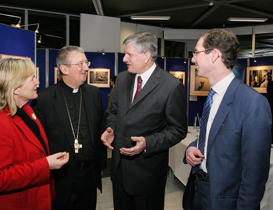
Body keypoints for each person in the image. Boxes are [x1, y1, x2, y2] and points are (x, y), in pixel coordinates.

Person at [183, 28, 272, 210]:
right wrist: (193, 147)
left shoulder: (253, 104)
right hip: (198, 192)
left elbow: (254, 175)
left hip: (224, 202)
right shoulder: (213, 95)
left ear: (214, 55)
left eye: (196, 53)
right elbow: (216, 138)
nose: (193, 59)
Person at [101, 31, 188, 210]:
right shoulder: (123, 79)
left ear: (147, 55)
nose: (124, 59)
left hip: (147, 175)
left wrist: (147, 143)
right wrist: (111, 129)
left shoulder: (171, 86)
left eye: (129, 54)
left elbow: (178, 130)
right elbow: (113, 112)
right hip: (119, 171)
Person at [0, 58, 69, 210]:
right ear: (15, 88)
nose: (37, 82)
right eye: (32, 79)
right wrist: (45, 165)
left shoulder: (26, 111)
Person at [31, 46, 105, 210]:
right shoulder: (44, 99)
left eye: (86, 62)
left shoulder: (93, 94)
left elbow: (99, 128)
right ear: (64, 69)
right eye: (80, 64)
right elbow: (38, 143)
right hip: (61, 179)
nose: (86, 67)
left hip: (89, 177)